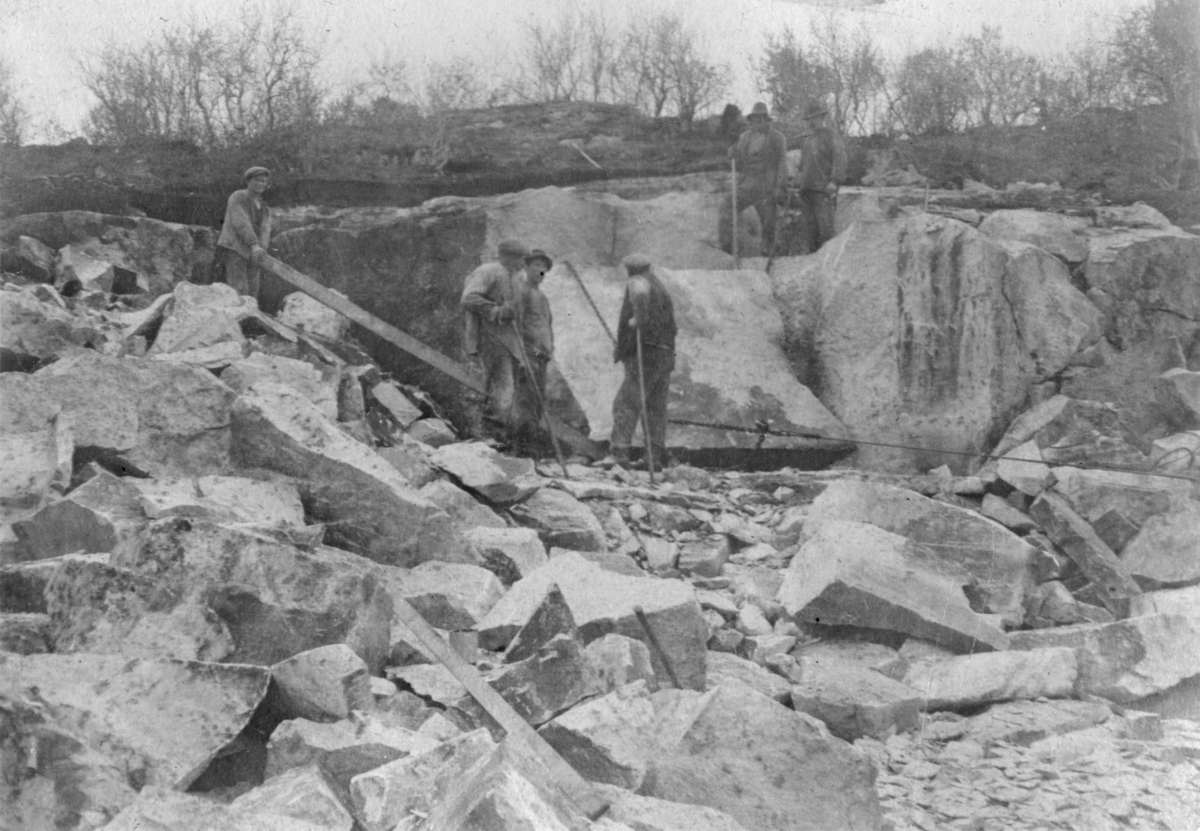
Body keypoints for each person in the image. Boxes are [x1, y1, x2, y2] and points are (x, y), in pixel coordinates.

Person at [604, 254, 677, 469]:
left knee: (626, 402)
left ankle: (619, 454)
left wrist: (636, 319)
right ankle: (653, 458)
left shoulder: (639, 281)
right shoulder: (660, 286)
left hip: (644, 353)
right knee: (655, 408)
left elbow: (641, 298)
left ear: (630, 269)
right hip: (664, 354)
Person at [460, 239, 530, 446]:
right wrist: (495, 310)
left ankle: (501, 437)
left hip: (511, 342)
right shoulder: (489, 271)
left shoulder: (517, 279)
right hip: (492, 337)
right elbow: (468, 298)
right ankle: (491, 435)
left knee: (509, 390)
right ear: (507, 256)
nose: (522, 264)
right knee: (502, 386)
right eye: (520, 259)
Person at [719, 102, 788, 256]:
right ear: (751, 120)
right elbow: (736, 156)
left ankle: (768, 250)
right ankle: (728, 244)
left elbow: (783, 164)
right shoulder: (745, 137)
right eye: (754, 119)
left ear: (766, 119)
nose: (757, 122)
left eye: (760, 119)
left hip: (767, 187)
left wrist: (779, 186)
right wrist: (731, 152)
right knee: (727, 204)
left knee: (769, 220)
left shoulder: (778, 138)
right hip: (747, 184)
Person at [509, 248, 555, 456]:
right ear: (526, 267)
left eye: (544, 267)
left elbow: (546, 326)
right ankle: (522, 449)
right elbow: (516, 326)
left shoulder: (542, 297)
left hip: (541, 356)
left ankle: (531, 449)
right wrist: (521, 356)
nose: (541, 270)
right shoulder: (522, 292)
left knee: (537, 403)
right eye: (536, 265)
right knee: (526, 402)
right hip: (528, 353)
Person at [796, 99, 848, 254]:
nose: (812, 122)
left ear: (822, 118)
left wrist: (834, 181)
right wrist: (799, 180)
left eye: (815, 118)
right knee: (810, 233)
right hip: (807, 191)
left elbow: (841, 159)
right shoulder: (807, 140)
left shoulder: (831, 135)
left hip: (823, 191)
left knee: (825, 231)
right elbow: (803, 164)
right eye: (809, 119)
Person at [216, 166, 273, 301]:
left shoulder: (264, 206)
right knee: (239, 288)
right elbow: (241, 222)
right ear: (248, 181)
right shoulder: (238, 197)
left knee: (253, 289)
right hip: (235, 248)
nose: (260, 184)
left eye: (264, 181)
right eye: (257, 180)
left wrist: (262, 249)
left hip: (254, 252)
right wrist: (254, 244)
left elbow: (266, 228)